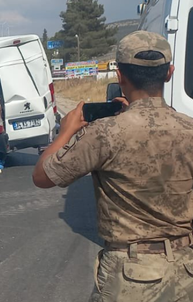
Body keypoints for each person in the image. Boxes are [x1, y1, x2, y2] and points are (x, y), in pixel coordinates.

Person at [32, 31, 193, 301]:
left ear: (120, 76)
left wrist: (65, 131)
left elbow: (42, 176)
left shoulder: (104, 133)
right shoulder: (189, 129)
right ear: (169, 73)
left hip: (131, 276)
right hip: (186, 269)